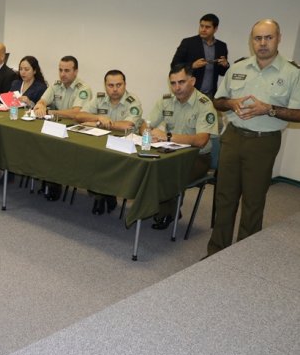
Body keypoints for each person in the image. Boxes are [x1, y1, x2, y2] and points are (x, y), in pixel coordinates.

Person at [207, 19, 300, 256]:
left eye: (268, 37)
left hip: (263, 142)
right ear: (252, 41)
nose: (262, 43)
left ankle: (243, 256)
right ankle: (216, 250)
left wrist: (268, 109)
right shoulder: (237, 68)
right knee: (224, 196)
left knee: (253, 200)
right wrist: (230, 102)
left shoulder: (292, 73)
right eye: (258, 38)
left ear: (279, 38)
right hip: (233, 138)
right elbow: (217, 101)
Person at [140, 64, 218, 229]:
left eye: (181, 82)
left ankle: (167, 212)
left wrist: (167, 136)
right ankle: (156, 208)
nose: (177, 87)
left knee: (169, 172)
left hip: (197, 157)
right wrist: (148, 135)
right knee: (145, 164)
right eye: (173, 83)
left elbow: (201, 140)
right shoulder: (165, 101)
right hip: (169, 151)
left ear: (193, 81)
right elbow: (145, 124)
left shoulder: (204, 104)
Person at [77, 70, 143, 214]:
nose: (114, 89)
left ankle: (103, 195)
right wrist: (99, 117)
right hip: (101, 142)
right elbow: (80, 116)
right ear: (105, 86)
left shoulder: (133, 101)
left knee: (103, 161)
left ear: (125, 85)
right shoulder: (100, 98)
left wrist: (98, 123)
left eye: (118, 85)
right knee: (88, 155)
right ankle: (101, 194)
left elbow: (128, 125)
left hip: (124, 147)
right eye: (110, 85)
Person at [33, 56, 93, 200]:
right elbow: (42, 101)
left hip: (74, 130)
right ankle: (46, 179)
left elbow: (76, 113)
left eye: (67, 70)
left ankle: (54, 184)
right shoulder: (56, 84)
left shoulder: (83, 89)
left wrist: (51, 112)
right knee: (40, 142)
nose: (62, 74)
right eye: (60, 70)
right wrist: (41, 105)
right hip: (56, 127)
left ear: (75, 71)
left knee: (56, 149)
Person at [171, 13, 229, 98]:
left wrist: (225, 65)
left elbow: (222, 72)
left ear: (215, 29)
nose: (203, 29)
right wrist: (192, 65)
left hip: (210, 95)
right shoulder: (188, 43)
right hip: (189, 93)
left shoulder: (221, 46)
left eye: (207, 27)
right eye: (201, 26)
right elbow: (174, 65)